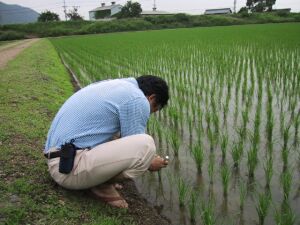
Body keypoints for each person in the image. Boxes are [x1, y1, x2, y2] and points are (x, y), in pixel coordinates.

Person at [44, 75, 169, 208]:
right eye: (154, 109)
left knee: (115, 136)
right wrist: (151, 161)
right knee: (147, 145)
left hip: (59, 158)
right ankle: (100, 186)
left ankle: (97, 180)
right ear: (152, 98)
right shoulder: (138, 99)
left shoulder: (118, 86)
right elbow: (137, 146)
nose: (151, 113)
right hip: (66, 170)